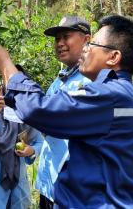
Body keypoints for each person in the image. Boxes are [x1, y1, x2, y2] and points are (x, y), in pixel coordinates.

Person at [0, 15, 133, 208]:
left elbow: (41, 110)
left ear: (113, 57)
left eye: (93, 45)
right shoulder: (127, 92)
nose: (86, 50)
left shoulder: (108, 94)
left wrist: (5, 63)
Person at [35, 16, 91, 209]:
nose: (60, 43)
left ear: (86, 40)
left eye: (66, 36)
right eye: (57, 39)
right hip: (48, 184)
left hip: (71, 190)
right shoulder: (59, 80)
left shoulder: (94, 81)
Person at [0, 66, 44, 209]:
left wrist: (31, 150)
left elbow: (40, 141)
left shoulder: (27, 115)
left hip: (17, 187)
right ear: (2, 85)